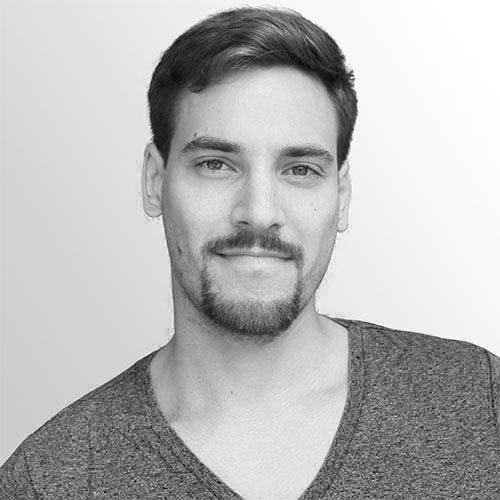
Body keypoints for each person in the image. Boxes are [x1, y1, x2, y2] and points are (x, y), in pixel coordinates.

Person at [1, 6, 499, 499]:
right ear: (154, 181)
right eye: (216, 164)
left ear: (342, 196)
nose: (259, 213)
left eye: (300, 169)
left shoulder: (481, 402)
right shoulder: (48, 481)